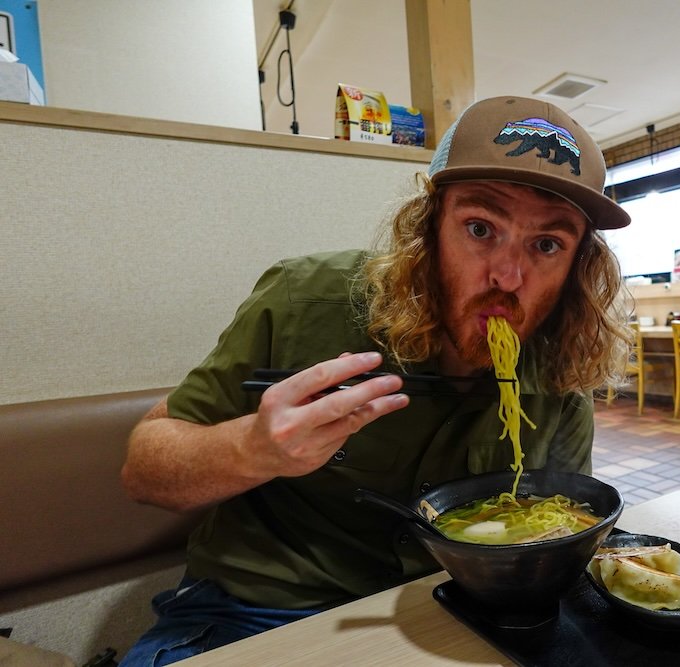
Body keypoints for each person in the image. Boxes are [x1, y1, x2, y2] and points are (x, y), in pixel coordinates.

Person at [118, 95, 632, 665]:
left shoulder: (560, 364)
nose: (508, 276)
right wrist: (255, 448)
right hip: (257, 611)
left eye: (546, 245)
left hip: (456, 613)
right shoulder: (304, 299)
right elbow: (144, 471)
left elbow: (567, 526)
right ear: (427, 229)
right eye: (480, 227)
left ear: (577, 264)